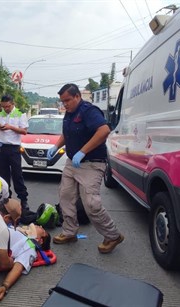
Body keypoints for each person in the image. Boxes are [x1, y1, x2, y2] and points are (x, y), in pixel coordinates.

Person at [47, 83, 124, 254]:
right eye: (62, 101)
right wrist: (56, 146)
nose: (65, 104)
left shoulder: (89, 111)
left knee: (91, 204)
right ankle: (69, 232)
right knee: (65, 196)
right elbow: (67, 134)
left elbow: (104, 130)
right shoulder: (69, 113)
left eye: (67, 100)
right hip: (71, 164)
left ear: (77, 96)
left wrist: (82, 151)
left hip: (91, 163)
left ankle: (112, 235)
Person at [0, 95, 37, 224]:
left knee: (17, 175)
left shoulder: (20, 114)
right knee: (3, 176)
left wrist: (10, 127)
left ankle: (23, 199)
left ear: (12, 104)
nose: (5, 109)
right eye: (3, 106)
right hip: (1, 149)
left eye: (8, 106)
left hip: (14, 149)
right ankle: (6, 200)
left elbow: (24, 131)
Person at [0, 223, 51, 303]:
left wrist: (4, 286)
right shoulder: (20, 230)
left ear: (40, 240)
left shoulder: (30, 246)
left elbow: (18, 268)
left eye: (43, 230)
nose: (40, 226)